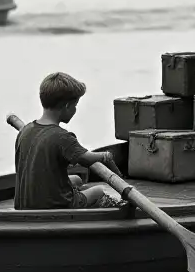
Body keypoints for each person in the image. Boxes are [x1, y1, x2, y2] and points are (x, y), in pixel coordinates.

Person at [14, 72, 124, 210]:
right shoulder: (62, 137)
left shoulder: (25, 131)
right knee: (99, 191)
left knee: (77, 180)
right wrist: (105, 156)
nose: (75, 110)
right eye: (75, 105)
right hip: (54, 205)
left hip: (24, 204)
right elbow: (86, 159)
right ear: (66, 106)